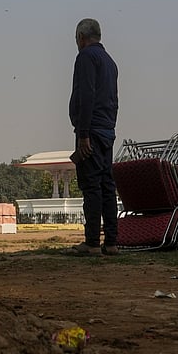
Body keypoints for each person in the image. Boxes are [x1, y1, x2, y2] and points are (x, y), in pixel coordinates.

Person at [67, 18, 119, 256]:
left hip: (92, 131)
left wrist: (83, 134)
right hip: (107, 130)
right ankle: (111, 242)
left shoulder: (86, 57)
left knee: (92, 186)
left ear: (81, 37)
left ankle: (91, 242)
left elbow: (86, 95)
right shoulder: (110, 62)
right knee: (107, 186)